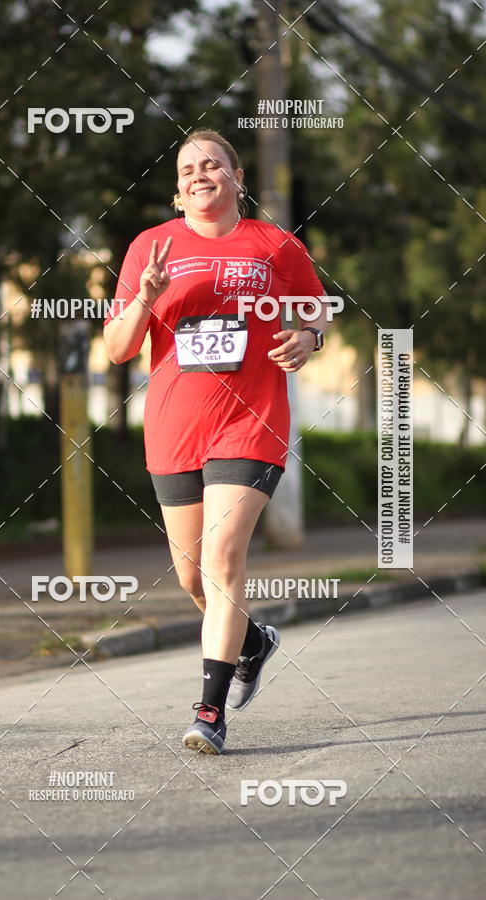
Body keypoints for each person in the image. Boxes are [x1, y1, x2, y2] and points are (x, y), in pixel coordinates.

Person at [103, 128, 329, 755]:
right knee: (192, 577)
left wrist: (309, 340)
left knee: (224, 561)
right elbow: (118, 349)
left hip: (251, 420)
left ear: (236, 178)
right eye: (187, 168)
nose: (199, 173)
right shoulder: (150, 248)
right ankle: (254, 642)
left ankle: (209, 713)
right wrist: (144, 301)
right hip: (175, 425)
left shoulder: (272, 244)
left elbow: (315, 312)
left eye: (212, 164)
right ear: (177, 190)